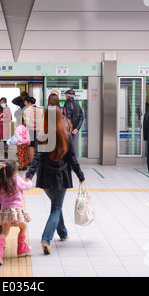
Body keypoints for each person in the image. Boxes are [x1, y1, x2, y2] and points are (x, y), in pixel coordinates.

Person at [25, 105, 85, 255]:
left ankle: (63, 233)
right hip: (61, 177)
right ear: (60, 118)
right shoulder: (67, 135)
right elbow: (73, 159)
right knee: (56, 208)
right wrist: (80, 176)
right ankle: (46, 239)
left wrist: (29, 175)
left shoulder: (42, 136)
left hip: (45, 178)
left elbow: (37, 158)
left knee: (56, 205)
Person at [0, 160, 32, 265]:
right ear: (15, 172)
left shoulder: (1, 182)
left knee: (4, 233)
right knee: (23, 227)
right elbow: (27, 186)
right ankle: (21, 249)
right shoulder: (17, 179)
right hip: (16, 210)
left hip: (5, 211)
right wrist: (29, 180)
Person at [63, 89, 84, 158]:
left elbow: (67, 117)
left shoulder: (67, 104)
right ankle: (74, 163)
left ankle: (67, 163)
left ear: (68, 96)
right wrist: (77, 128)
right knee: (74, 147)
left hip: (68, 129)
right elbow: (81, 117)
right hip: (75, 130)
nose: (65, 96)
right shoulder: (77, 104)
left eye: (66, 95)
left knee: (66, 146)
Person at [23, 96, 43, 163]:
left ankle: (32, 162)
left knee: (31, 146)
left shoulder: (26, 110)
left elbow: (25, 121)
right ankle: (38, 162)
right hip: (39, 129)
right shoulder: (40, 110)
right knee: (37, 146)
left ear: (29, 102)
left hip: (30, 130)